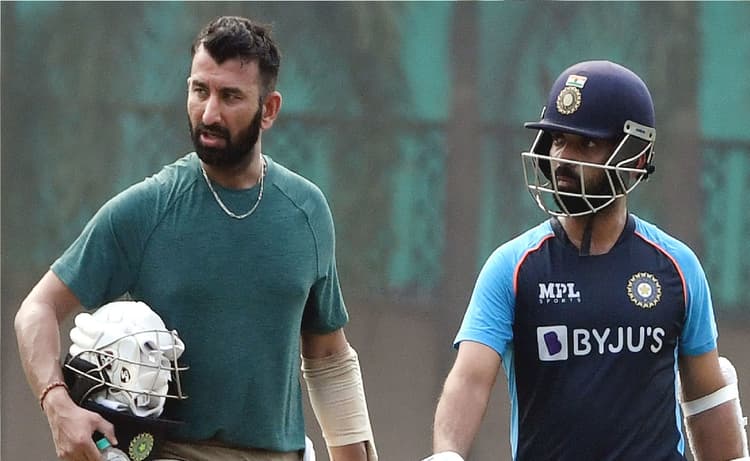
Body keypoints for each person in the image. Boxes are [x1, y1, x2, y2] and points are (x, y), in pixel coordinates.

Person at [15, 15, 377, 461]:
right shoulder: (148, 209)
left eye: (230, 96)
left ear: (268, 109)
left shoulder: (306, 211)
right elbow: (37, 309)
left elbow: (328, 357)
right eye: (200, 90)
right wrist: (57, 405)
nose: (209, 114)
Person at [424, 60, 749, 460]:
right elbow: (470, 380)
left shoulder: (678, 267)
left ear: (634, 157)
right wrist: (447, 454)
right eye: (558, 140)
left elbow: (706, 397)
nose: (563, 158)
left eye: (586, 144)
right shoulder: (513, 268)